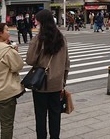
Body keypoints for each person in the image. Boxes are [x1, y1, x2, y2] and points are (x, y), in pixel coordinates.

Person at [26, 9, 70, 139]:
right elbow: (67, 63)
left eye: (37, 20)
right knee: (55, 115)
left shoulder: (38, 39)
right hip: (56, 84)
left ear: (42, 22)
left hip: (40, 84)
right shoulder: (62, 39)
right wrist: (63, 82)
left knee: (40, 115)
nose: (35, 22)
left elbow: (30, 60)